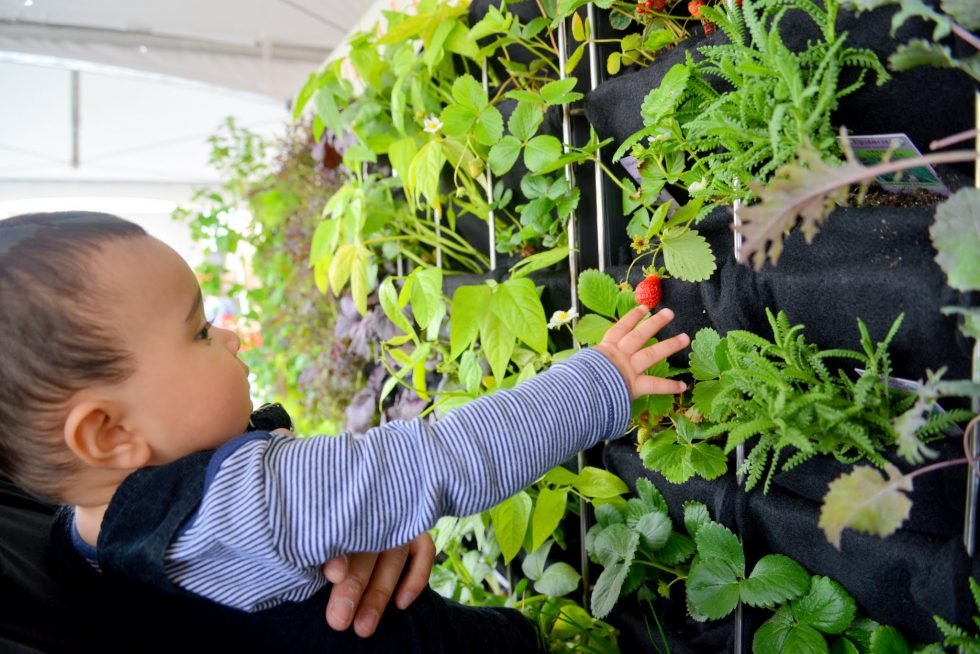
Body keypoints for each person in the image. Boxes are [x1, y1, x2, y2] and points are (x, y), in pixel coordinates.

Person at [0, 211, 689, 651]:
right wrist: (600, 382)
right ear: (109, 435)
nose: (231, 335)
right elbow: (444, 458)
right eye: (201, 331)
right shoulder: (249, 500)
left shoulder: (80, 546)